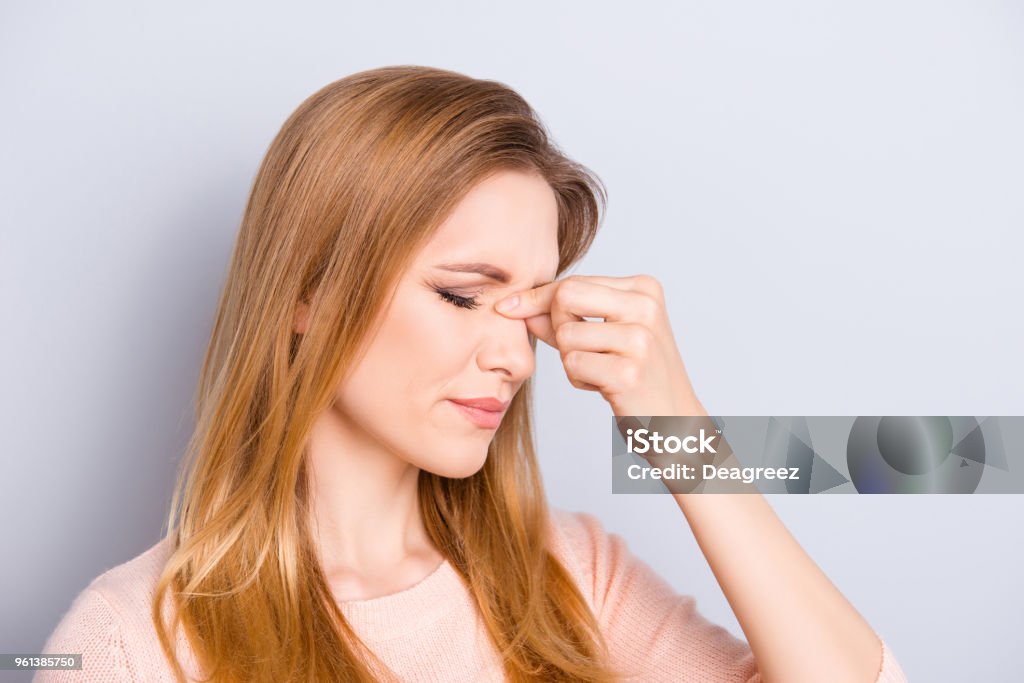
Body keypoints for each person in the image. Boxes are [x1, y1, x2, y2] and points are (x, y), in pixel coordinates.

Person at [37, 65, 909, 682]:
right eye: (461, 296)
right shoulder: (129, 642)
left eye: (529, 310)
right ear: (306, 290)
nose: (514, 357)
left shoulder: (566, 574)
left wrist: (678, 427)